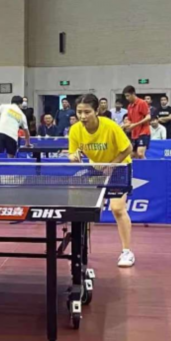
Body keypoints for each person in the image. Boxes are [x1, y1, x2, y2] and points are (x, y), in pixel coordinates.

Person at [68, 94, 134, 268]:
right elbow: (72, 153)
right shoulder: (75, 130)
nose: (82, 116)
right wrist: (73, 157)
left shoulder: (110, 126)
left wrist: (112, 165)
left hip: (119, 166)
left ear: (96, 111)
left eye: (87, 112)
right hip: (96, 167)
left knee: (117, 208)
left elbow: (128, 148)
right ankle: (81, 250)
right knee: (88, 210)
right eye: (79, 112)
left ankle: (127, 251)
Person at [122, 85, 151, 159]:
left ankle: (147, 166)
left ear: (133, 94)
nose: (127, 98)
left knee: (140, 154)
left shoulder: (142, 103)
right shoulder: (129, 106)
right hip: (134, 134)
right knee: (131, 155)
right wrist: (123, 126)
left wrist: (135, 125)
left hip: (143, 132)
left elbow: (148, 117)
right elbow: (129, 120)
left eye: (128, 96)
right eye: (125, 96)